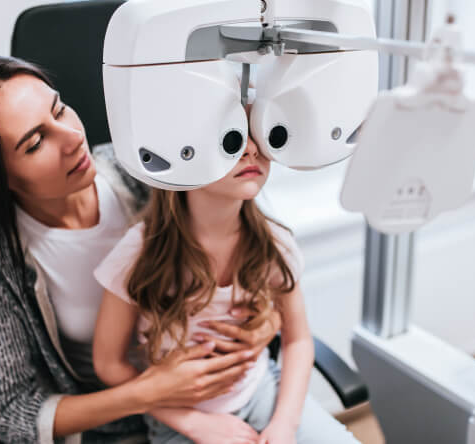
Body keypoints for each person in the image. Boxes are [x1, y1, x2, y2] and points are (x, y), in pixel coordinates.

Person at [0, 56, 282, 444]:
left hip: (234, 395)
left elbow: (258, 249)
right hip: (115, 432)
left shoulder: (148, 164)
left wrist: (267, 325)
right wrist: (151, 395)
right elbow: (11, 415)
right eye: (37, 141)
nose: (73, 137)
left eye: (59, 109)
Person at [92, 119, 361, 443]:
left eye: (259, 137)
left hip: (262, 393)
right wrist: (191, 422)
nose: (251, 149)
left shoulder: (274, 245)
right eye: (230, 139)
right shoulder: (139, 253)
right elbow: (109, 363)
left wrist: (284, 425)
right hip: (177, 419)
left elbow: (298, 340)